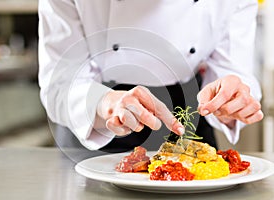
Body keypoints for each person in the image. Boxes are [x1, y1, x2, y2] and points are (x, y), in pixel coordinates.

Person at [38, 0, 264, 154]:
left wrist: (229, 102)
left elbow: (232, 68)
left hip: (186, 118)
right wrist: (106, 104)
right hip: (95, 120)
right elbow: (60, 82)